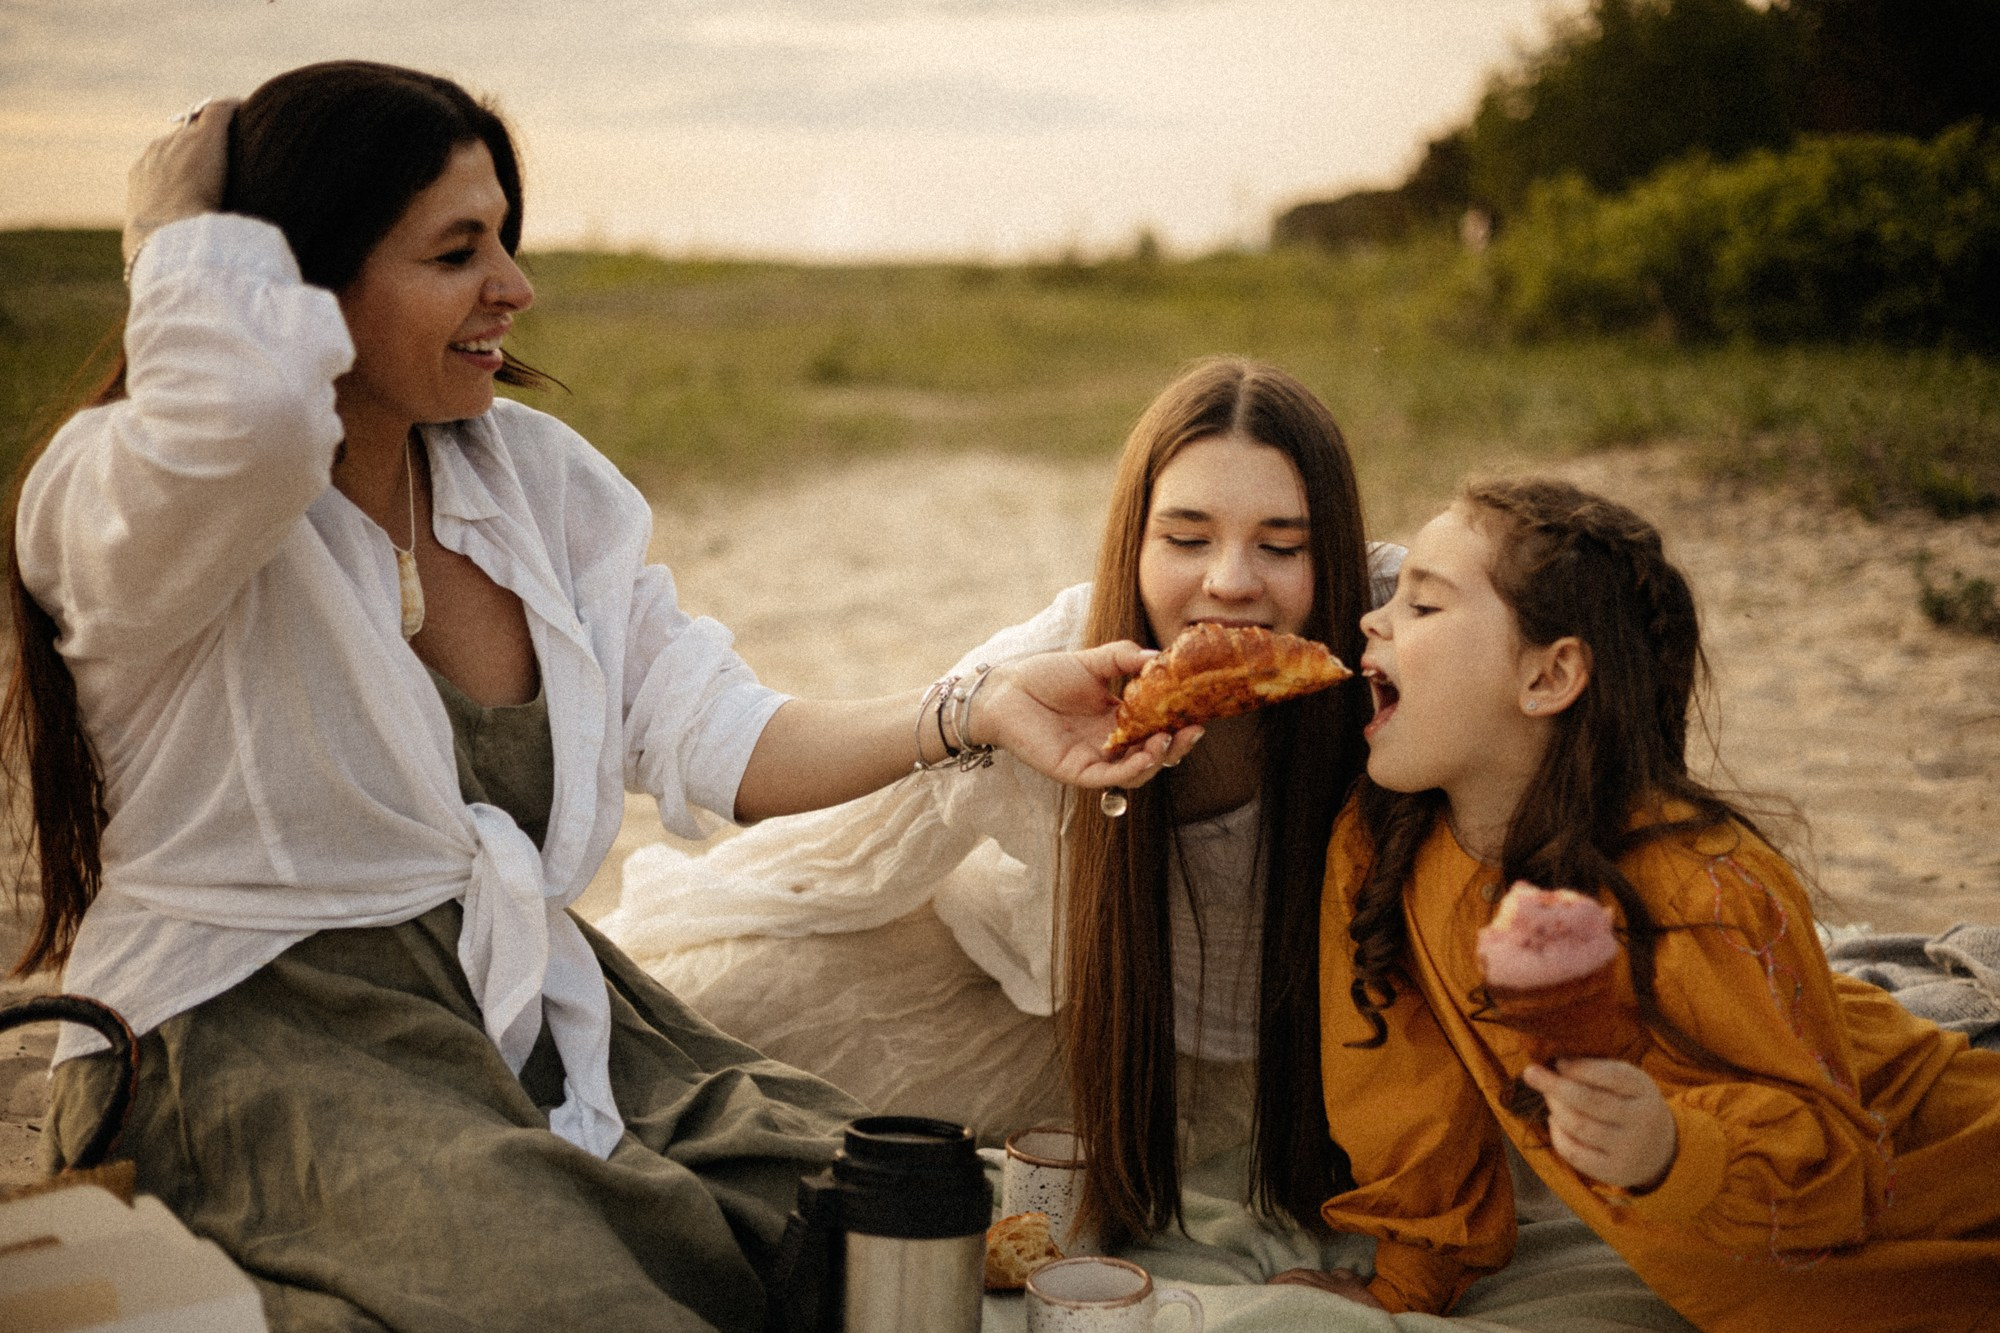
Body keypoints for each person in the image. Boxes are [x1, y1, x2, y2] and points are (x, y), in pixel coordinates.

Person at [2, 61, 1189, 1333]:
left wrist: (982, 706)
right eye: (458, 251)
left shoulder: (530, 483)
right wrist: (177, 235)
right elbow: (245, 418)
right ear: (298, 280)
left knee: (880, 1221)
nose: (514, 287)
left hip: (517, 1002)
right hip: (252, 1051)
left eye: (507, 239)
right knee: (588, 1300)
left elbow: (714, 728)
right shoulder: (134, 506)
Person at [603, 356, 1401, 1249]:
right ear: (1133, 545)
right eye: (1185, 539)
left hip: (1284, 1052)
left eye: (1282, 546)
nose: (1231, 581)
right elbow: (861, 843)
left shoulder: (1398, 634)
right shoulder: (1063, 652)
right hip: (1045, 1000)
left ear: (1333, 551)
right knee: (716, 1010)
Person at [1298, 477, 2000, 1328]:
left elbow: (1838, 1162)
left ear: (1550, 674)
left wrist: (1674, 1148)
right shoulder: (1380, 850)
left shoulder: (1701, 884)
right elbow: (1410, 1102)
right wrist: (1404, 1285)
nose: (1372, 621)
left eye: (1423, 605)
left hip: (1939, 1177)